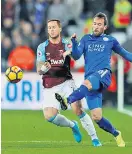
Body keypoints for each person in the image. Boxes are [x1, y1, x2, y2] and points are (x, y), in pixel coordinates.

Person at [55, 12, 132, 147]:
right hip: (90, 79)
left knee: (88, 82)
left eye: (99, 25)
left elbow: (125, 54)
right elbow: (77, 56)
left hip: (103, 75)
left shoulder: (110, 40)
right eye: (95, 24)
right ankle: (116, 133)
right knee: (97, 117)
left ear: (105, 27)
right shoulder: (85, 39)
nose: (96, 27)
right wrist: (74, 42)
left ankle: (67, 100)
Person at [36, 19, 102, 146]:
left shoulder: (66, 44)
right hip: (49, 84)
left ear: (60, 29)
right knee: (50, 117)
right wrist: (44, 68)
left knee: (77, 109)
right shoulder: (42, 47)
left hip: (66, 82)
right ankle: (73, 125)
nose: (51, 30)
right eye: (49, 27)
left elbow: (76, 56)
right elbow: (39, 70)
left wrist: (71, 50)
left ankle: (94, 138)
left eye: (54, 27)